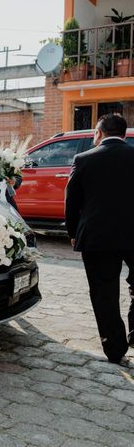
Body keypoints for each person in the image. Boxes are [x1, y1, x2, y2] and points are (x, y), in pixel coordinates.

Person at [65, 113, 134, 364]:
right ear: (124, 135)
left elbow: (72, 201)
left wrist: (72, 233)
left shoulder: (82, 159)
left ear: (100, 133)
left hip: (97, 237)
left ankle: (115, 349)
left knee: (104, 293)